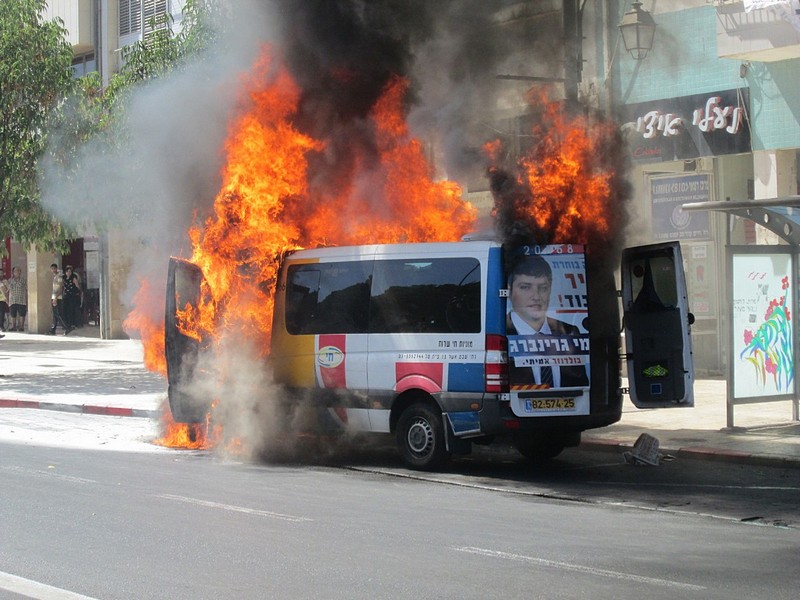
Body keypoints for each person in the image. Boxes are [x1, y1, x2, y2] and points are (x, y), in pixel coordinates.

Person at [506, 254, 589, 388]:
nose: (536, 297)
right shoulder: (500, 333)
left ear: (550, 290)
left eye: (543, 288)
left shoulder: (569, 332)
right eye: (526, 287)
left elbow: (580, 385)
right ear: (509, 291)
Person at [48, 264, 73, 336]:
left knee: (58, 314)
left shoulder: (59, 277)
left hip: (57, 297)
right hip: (54, 296)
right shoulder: (54, 277)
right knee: (55, 314)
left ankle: (66, 327)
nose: (52, 270)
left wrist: (55, 297)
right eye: (51, 269)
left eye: (54, 269)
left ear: (56, 269)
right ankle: (53, 329)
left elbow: (61, 288)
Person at [7, 267, 28, 332]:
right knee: (13, 314)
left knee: (22, 314)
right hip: (12, 300)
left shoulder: (23, 280)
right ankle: (13, 326)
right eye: (16, 271)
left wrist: (27, 299)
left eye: (19, 271)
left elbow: (27, 289)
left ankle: (21, 327)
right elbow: (7, 290)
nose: (18, 272)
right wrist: (7, 299)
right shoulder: (10, 280)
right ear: (13, 272)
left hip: (21, 300)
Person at [0, 267, 8, 332]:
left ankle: (2, 326)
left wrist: (3, 284)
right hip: (3, 298)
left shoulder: (4, 281)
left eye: (2, 273)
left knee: (2, 313)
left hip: (2, 299)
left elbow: (6, 290)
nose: (1, 274)